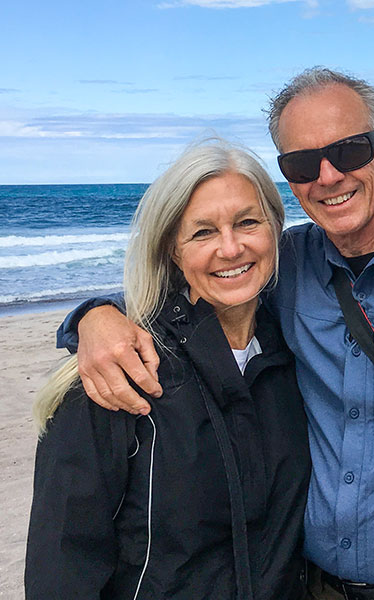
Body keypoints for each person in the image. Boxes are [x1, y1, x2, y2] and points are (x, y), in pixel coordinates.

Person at [59, 68, 374, 599]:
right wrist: (95, 316)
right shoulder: (285, 264)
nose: (327, 176)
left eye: (349, 151)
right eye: (303, 163)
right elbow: (196, 285)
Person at [27, 139, 310, 600]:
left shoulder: (298, 353)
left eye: (247, 222)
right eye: (202, 233)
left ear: (276, 230)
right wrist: (92, 316)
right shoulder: (118, 376)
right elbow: (63, 568)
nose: (231, 248)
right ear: (173, 251)